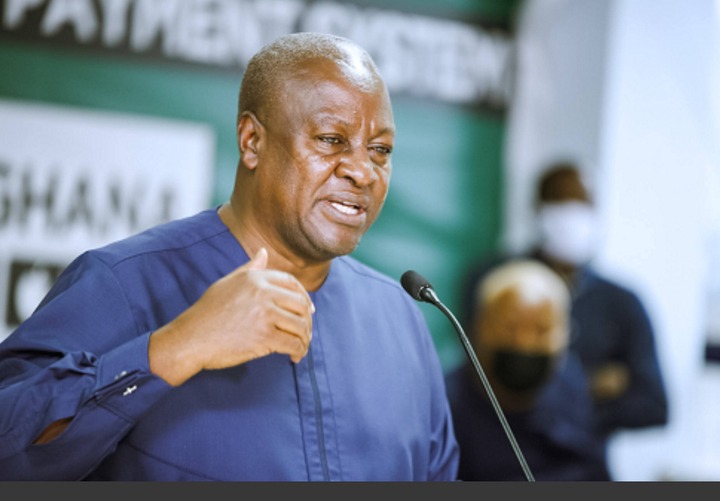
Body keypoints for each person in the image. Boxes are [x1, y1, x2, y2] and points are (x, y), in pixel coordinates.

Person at [0, 32, 460, 481]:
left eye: (380, 150)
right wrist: (176, 346)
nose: (362, 171)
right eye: (330, 139)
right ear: (252, 141)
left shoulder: (399, 318)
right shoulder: (122, 283)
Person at [460, 162, 669, 478]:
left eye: (583, 205)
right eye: (561, 202)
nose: (573, 216)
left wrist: (573, 408)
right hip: (491, 463)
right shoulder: (495, 283)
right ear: (539, 209)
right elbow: (483, 376)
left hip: (581, 466)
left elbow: (653, 404)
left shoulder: (622, 302)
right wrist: (589, 385)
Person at [446, 258, 611, 481]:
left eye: (542, 330)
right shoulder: (445, 406)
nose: (525, 344)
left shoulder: (572, 388)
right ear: (479, 327)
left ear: (566, 335)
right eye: (510, 328)